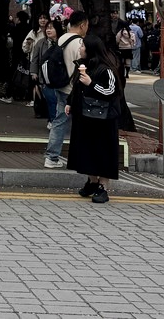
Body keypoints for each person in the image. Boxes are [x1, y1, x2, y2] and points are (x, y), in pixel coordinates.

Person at [66, 34, 121, 204]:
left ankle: (103, 187)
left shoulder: (107, 70)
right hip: (84, 116)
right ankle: (92, 181)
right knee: (85, 150)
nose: (80, 48)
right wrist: (70, 103)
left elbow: (111, 92)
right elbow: (76, 88)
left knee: (103, 151)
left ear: (91, 49)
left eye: (83, 46)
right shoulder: (82, 66)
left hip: (104, 119)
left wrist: (91, 83)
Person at [44, 11, 88, 169]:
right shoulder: (79, 43)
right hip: (73, 90)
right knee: (82, 123)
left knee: (59, 121)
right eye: (86, 25)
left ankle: (51, 157)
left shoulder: (62, 38)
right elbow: (82, 67)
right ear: (82, 24)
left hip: (60, 86)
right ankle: (81, 157)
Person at [30, 17, 61, 127]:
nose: (48, 30)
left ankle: (54, 120)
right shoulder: (40, 43)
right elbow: (35, 59)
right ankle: (52, 120)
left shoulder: (62, 42)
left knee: (58, 101)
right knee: (50, 99)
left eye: (51, 28)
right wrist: (34, 73)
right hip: (45, 77)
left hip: (60, 77)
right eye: (47, 28)